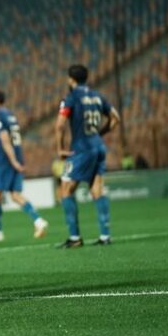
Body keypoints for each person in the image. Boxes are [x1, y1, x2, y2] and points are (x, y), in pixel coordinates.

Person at [55, 64, 120, 248]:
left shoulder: (71, 98)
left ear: (71, 79)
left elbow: (59, 125)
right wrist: (100, 134)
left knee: (66, 190)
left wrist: (60, 149)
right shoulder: (97, 96)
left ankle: (75, 238)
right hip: (98, 147)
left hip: (81, 149)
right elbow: (116, 118)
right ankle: (105, 236)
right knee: (97, 189)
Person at [0, 89, 48, 242]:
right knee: (15, 194)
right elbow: (9, 141)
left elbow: (5, 140)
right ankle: (38, 221)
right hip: (15, 156)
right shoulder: (10, 115)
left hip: (4, 161)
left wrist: (13, 161)